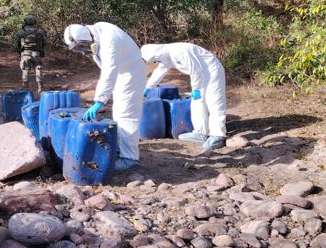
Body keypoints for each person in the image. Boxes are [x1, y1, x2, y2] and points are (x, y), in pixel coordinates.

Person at [64, 22, 148, 171]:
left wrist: (99, 101)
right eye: (79, 48)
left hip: (131, 73)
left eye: (82, 46)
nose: (83, 51)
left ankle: (130, 159)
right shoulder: (97, 34)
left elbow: (109, 72)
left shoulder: (109, 39)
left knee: (126, 115)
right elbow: (108, 71)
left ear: (86, 37)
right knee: (118, 114)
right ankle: (121, 150)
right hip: (122, 74)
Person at [141, 42, 227, 151]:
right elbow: (160, 71)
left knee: (214, 101)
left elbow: (195, 69)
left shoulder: (179, 51)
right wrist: (148, 88)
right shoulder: (167, 55)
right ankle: (201, 133)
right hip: (200, 75)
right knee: (197, 102)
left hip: (212, 71)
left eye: (155, 60)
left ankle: (218, 135)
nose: (156, 62)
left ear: (157, 54)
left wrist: (196, 89)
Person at [14, 15, 47, 92]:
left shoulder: (21, 32)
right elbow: (45, 42)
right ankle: (40, 87)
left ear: (25, 22)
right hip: (36, 53)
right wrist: (41, 49)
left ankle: (25, 87)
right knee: (38, 68)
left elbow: (16, 44)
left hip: (25, 53)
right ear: (34, 22)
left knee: (25, 69)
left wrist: (19, 51)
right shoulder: (39, 31)